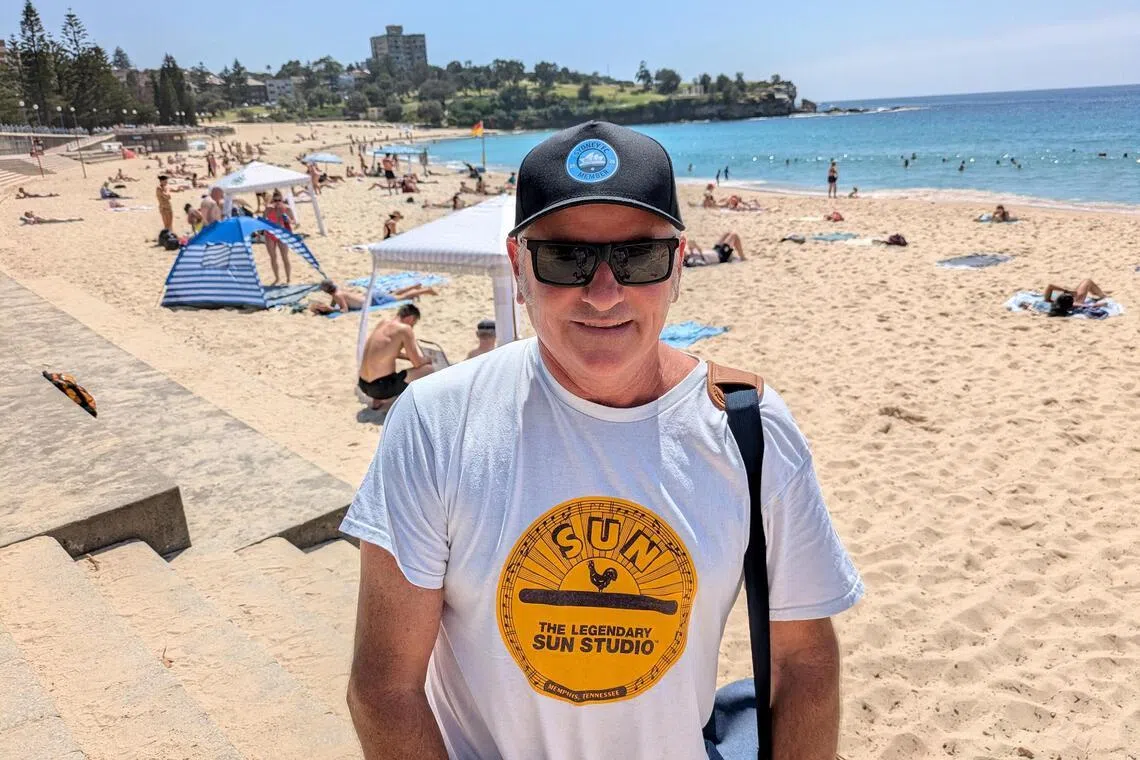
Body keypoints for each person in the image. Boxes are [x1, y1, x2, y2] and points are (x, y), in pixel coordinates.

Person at [341, 121, 862, 760]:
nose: (604, 292)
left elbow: (805, 661)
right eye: (566, 258)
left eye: (638, 257)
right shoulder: (437, 421)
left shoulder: (747, 426)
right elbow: (384, 688)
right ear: (518, 266)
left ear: (677, 265)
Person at [356, 303, 433, 408]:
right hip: (381, 388)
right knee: (428, 369)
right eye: (413, 324)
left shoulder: (383, 323)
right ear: (411, 318)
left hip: (363, 384)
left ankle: (377, 401)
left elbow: (386, 352)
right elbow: (417, 363)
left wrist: (407, 356)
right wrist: (427, 359)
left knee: (382, 367)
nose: (412, 327)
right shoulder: (405, 329)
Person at [308, 279, 438, 315]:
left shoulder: (337, 295)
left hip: (372, 301)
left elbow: (344, 309)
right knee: (394, 294)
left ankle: (426, 290)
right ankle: (415, 286)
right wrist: (328, 307)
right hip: (371, 296)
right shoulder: (337, 292)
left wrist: (331, 310)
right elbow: (334, 303)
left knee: (400, 298)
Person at [263, 191, 295, 285]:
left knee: (285, 257)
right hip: (270, 234)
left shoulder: (287, 209)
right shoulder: (269, 208)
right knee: (273, 257)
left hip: (282, 234)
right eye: (275, 200)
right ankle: (277, 278)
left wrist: (288, 220)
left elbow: (293, 221)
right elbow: (262, 221)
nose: (277, 202)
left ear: (282, 199)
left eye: (279, 200)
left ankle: (288, 278)